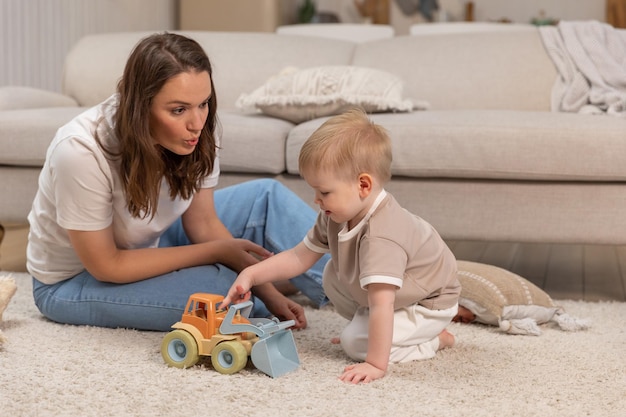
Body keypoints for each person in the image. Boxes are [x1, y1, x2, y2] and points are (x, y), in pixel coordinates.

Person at [26, 32, 329, 332]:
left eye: (204, 103)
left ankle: (361, 292)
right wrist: (224, 257)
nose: (196, 123)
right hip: (76, 280)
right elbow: (106, 265)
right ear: (140, 106)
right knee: (223, 294)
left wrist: (264, 286)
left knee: (266, 196)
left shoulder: (199, 127)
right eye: (178, 110)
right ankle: (276, 280)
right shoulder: (80, 150)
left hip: (150, 241)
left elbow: (203, 225)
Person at [221, 108, 461, 384]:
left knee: (354, 345)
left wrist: (374, 363)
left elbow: (383, 304)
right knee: (332, 274)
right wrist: (250, 274)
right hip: (396, 292)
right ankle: (375, 329)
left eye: (324, 192)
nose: (316, 200)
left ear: (363, 185)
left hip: (427, 302)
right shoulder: (336, 214)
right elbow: (300, 257)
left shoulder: (382, 236)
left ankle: (433, 339)